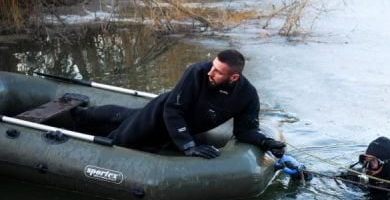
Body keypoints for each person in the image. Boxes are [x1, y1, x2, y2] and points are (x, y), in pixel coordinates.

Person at [73, 49, 285, 159]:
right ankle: (80, 117)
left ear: (234, 77)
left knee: (128, 115)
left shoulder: (247, 95)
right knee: (120, 139)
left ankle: (84, 115)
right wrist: (188, 146)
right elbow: (173, 109)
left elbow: (245, 131)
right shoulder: (198, 72)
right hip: (159, 114)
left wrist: (266, 142)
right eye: (212, 66)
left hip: (182, 125)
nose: (210, 72)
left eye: (218, 71)